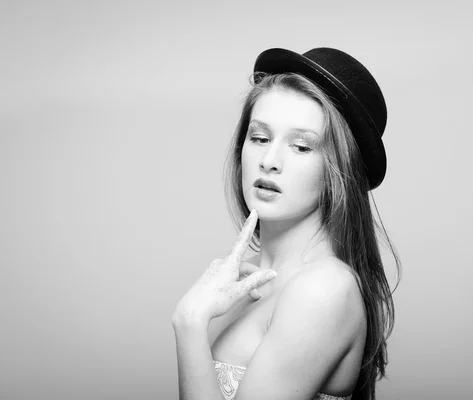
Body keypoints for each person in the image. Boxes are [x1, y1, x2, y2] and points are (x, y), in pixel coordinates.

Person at [172, 47, 401, 400]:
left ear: (338, 173)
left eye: (302, 146)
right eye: (260, 138)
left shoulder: (323, 289)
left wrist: (189, 323)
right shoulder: (248, 285)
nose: (270, 160)